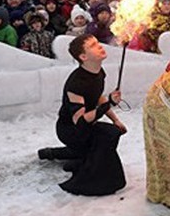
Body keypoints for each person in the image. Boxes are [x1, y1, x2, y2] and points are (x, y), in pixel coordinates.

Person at [38, 34, 126, 196]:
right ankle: (90, 181)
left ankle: (61, 154)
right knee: (107, 136)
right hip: (70, 130)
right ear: (83, 57)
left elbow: (98, 97)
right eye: (92, 45)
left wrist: (116, 120)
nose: (99, 46)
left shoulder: (99, 73)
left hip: (86, 126)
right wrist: (110, 103)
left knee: (113, 131)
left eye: (97, 42)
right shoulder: (76, 83)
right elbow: (80, 121)